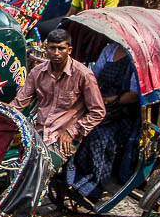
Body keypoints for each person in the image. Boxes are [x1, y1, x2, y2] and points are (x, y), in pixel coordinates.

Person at [11, 28, 105, 158]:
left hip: (66, 135)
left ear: (69, 50)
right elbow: (19, 103)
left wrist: (72, 132)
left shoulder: (83, 75)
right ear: (46, 48)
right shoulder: (37, 72)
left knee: (43, 167)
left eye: (61, 48)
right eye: (52, 48)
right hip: (41, 132)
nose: (56, 53)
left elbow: (98, 111)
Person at [65, 43, 141, 201]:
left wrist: (107, 101)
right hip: (100, 99)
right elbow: (93, 75)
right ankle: (70, 173)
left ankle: (94, 184)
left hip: (121, 109)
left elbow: (133, 95)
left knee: (98, 133)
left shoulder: (137, 57)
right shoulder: (109, 49)